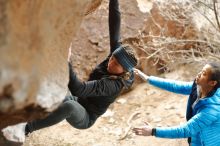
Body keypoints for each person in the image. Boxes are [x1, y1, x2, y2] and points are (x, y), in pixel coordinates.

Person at [25, 0, 138, 135]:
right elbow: (114, 24)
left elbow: (79, 89)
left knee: (69, 106)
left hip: (85, 116)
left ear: (124, 71)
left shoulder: (113, 85)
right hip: (76, 99)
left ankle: (26, 128)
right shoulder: (118, 55)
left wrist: (67, 61)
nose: (111, 62)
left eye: (116, 64)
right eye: (112, 57)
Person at [132, 62, 220, 146]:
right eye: (201, 70)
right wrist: (149, 79)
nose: (199, 73)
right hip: (196, 138)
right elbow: (175, 86)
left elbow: (186, 130)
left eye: (204, 73)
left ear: (212, 83)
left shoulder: (211, 110)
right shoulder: (199, 88)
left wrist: (153, 131)